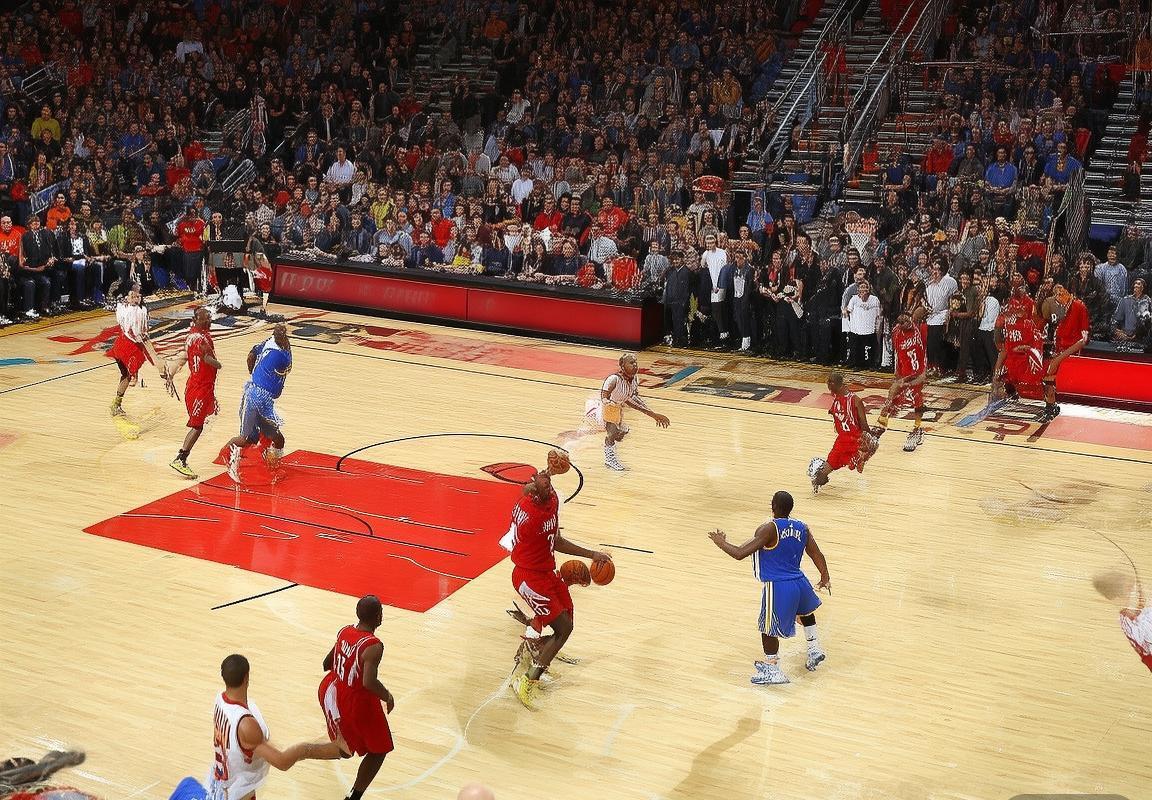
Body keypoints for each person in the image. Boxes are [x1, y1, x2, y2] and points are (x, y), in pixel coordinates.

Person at [499, 469, 612, 708]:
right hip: (529, 577)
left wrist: (592, 554)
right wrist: (592, 554)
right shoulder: (533, 518)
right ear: (536, 493)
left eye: (550, 482)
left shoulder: (546, 499)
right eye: (546, 485)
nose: (550, 487)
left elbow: (554, 535)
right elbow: (557, 542)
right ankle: (527, 679)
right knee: (563, 628)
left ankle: (541, 650)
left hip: (544, 571)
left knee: (567, 614)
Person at [707, 490, 830, 686]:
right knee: (806, 613)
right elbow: (816, 553)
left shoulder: (769, 529)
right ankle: (814, 649)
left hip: (779, 585)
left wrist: (721, 543)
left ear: (773, 506)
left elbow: (739, 553)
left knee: (767, 628)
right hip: (800, 581)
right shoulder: (802, 527)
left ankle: (772, 669)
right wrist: (825, 577)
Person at [208, 654, 344, 800]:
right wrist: (306, 749)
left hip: (221, 783)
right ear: (247, 677)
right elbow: (282, 762)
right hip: (235, 793)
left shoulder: (220, 700)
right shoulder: (246, 724)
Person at [321, 596, 395, 800]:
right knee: (379, 749)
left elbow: (326, 663)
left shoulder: (344, 631)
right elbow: (368, 682)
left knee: (348, 748)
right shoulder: (373, 645)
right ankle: (354, 797)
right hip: (357, 701)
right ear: (379, 616)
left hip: (335, 692)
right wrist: (387, 696)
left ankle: (303, 752)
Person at [993, 280, 1087, 421]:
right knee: (1023, 365)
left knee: (1047, 372)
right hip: (1052, 349)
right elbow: (1037, 332)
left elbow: (1083, 340)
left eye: (1061, 292)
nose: (1058, 295)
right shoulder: (1048, 309)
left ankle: (1050, 406)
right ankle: (1018, 393)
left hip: (1068, 352)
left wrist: (1058, 358)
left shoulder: (1079, 307)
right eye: (1056, 293)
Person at [225, 323, 292, 483]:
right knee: (247, 438)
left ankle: (271, 466)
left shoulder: (269, 342)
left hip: (260, 396)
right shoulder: (281, 356)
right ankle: (228, 458)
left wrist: (253, 373)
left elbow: (251, 354)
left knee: (274, 438)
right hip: (257, 398)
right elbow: (288, 365)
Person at [164, 307, 222, 478]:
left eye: (209, 317)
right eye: (206, 318)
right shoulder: (200, 340)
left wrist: (172, 371)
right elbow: (207, 359)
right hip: (199, 389)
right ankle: (180, 459)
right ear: (197, 320)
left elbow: (185, 356)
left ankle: (182, 458)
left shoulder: (193, 335)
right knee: (197, 426)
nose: (209, 320)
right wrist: (217, 364)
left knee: (201, 423)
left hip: (202, 386)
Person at [596, 353, 670, 470]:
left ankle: (619, 432)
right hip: (608, 406)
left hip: (619, 406)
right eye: (631, 363)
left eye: (635, 362)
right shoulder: (613, 379)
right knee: (612, 434)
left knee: (619, 434)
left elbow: (632, 399)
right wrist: (607, 403)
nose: (635, 365)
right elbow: (604, 396)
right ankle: (609, 460)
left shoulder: (635, 379)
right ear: (622, 366)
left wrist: (653, 415)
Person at [808, 371, 877, 493]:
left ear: (836, 384)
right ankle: (856, 459)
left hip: (852, 439)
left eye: (830, 382)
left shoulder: (855, 400)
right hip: (843, 441)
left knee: (826, 472)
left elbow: (863, 424)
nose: (827, 384)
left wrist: (870, 438)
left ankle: (858, 458)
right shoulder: (838, 398)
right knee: (821, 477)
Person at [106, 286, 162, 428]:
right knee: (127, 376)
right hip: (127, 348)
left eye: (138, 296)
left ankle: (117, 403)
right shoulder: (135, 311)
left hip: (123, 345)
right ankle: (116, 404)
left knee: (125, 375)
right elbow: (137, 334)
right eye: (133, 296)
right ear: (128, 297)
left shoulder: (126, 307)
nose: (136, 298)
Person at [875, 310, 928, 451]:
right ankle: (880, 426)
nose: (907, 322)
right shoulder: (896, 333)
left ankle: (917, 429)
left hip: (918, 371)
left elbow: (920, 311)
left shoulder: (918, 326)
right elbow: (898, 355)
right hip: (905, 372)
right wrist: (898, 375)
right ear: (899, 325)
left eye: (907, 319)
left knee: (917, 399)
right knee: (891, 396)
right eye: (903, 321)